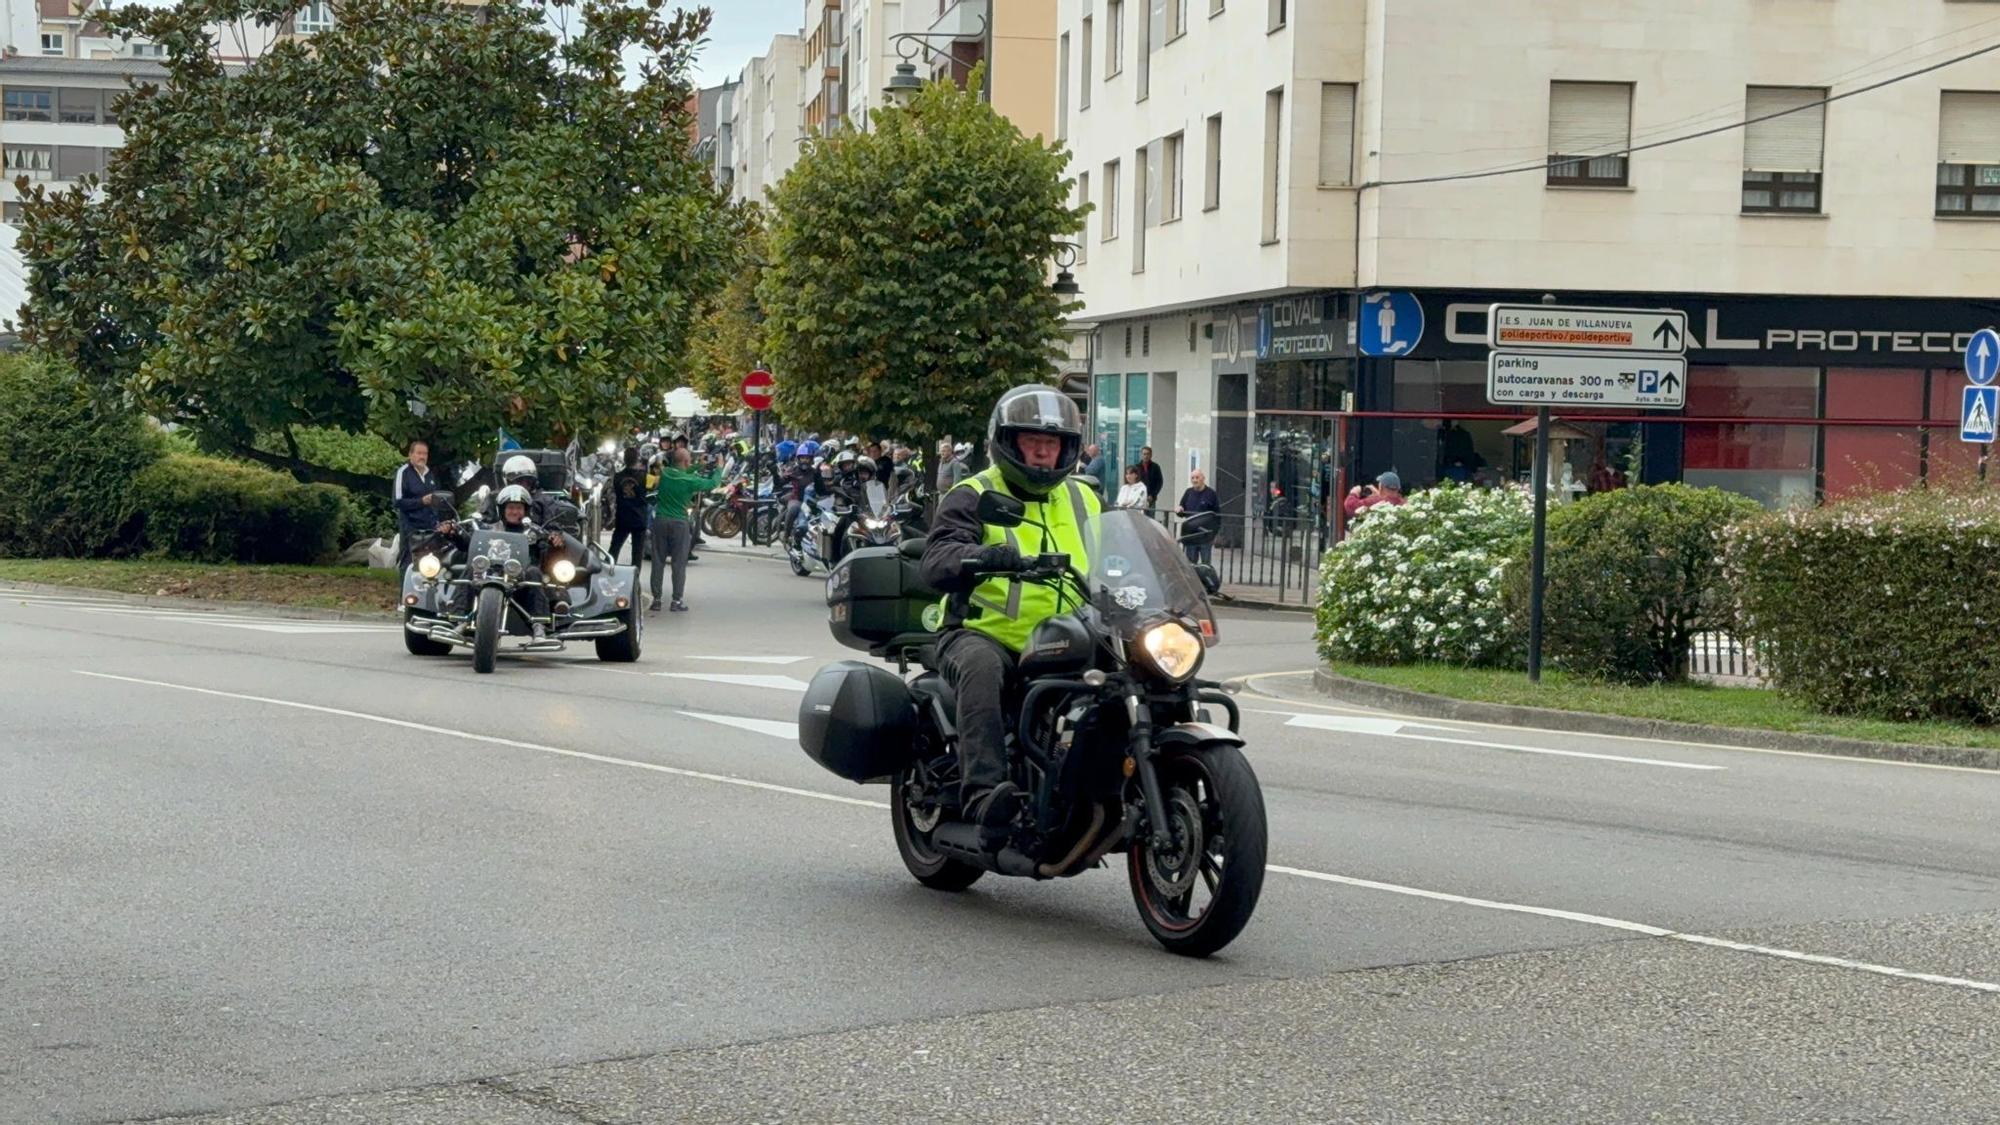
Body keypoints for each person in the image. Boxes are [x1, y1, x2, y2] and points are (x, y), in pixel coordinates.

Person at [920, 384, 1100, 831]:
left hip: (1071, 635)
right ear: (1007, 442)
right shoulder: (972, 494)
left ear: (1067, 448)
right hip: (984, 632)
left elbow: (1118, 556)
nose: (1043, 452)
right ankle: (984, 793)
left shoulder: (1085, 497)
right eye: (1032, 442)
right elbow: (937, 559)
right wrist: (980, 557)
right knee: (982, 669)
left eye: (1052, 443)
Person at [649, 447, 720, 613]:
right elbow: (713, 483)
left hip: (660, 520)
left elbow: (682, 469)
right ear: (686, 462)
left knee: (658, 561)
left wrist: (698, 466)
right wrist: (719, 468)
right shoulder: (690, 481)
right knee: (678, 563)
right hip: (680, 523)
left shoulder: (665, 474)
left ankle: (657, 599)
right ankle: (676, 600)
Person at [391, 439, 442, 570]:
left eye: (425, 454)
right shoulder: (403, 472)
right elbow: (397, 501)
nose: (422, 457)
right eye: (419, 453)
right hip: (410, 527)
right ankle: (405, 590)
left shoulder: (430, 474)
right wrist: (421, 501)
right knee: (408, 563)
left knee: (430, 563)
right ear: (410, 455)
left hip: (430, 527)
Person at [609, 446, 651, 569]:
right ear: (637, 459)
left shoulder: (617, 477)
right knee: (637, 554)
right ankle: (634, 582)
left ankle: (608, 572)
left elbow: (615, 493)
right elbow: (653, 487)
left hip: (622, 517)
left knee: (614, 549)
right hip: (639, 519)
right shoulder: (645, 476)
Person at [1176, 469, 1222, 566]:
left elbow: (1217, 515)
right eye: (1192, 478)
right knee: (1191, 566)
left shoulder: (1211, 494)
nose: (1195, 480)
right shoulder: (1188, 492)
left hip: (1205, 536)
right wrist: (1179, 509)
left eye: (1197, 477)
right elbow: (1182, 510)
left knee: (1205, 565)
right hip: (1191, 536)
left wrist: (1214, 533)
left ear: (1203, 478)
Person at [1136, 446, 1165, 514]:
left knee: (1150, 520)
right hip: (1138, 499)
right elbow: (1134, 483)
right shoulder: (1137, 467)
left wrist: (1153, 495)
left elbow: (1159, 483)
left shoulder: (1155, 467)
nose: (1146, 456)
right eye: (1144, 454)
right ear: (1141, 455)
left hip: (1151, 499)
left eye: (1148, 454)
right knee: (1139, 519)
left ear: (1151, 455)